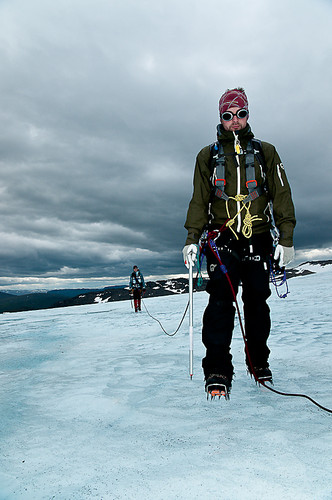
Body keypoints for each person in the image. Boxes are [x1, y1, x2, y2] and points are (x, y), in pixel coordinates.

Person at [182, 87, 296, 398]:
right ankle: (217, 369)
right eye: (228, 115)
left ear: (248, 115)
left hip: (258, 238)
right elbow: (199, 199)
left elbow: (281, 196)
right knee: (219, 303)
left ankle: (258, 361)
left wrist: (285, 238)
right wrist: (193, 238)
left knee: (257, 303)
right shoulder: (207, 156)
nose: (235, 120)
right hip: (222, 239)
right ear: (220, 117)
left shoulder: (266, 152)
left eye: (241, 114)